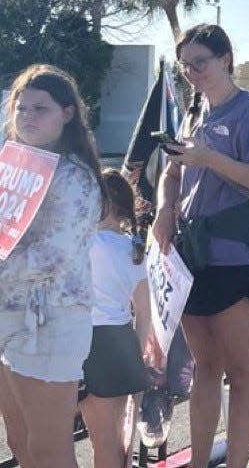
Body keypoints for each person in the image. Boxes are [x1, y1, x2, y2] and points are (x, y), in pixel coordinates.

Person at [151, 24, 249, 468]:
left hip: (234, 257)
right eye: (185, 64)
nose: (192, 72)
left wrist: (210, 158)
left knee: (242, 372)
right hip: (192, 258)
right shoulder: (195, 113)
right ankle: (198, 461)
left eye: (200, 62)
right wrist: (164, 210)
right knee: (204, 369)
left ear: (226, 58)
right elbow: (172, 175)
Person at [0, 64, 106, 467]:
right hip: (10, 315)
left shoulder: (75, 178)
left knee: (49, 451)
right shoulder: (12, 166)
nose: (27, 116)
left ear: (67, 112)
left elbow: (53, 255)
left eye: (39, 108)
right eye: (21, 108)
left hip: (51, 321)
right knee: (20, 442)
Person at [79, 169, 151, 468]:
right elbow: (145, 314)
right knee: (117, 440)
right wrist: (141, 356)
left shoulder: (84, 244)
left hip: (87, 341)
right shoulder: (133, 250)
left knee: (101, 441)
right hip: (122, 344)